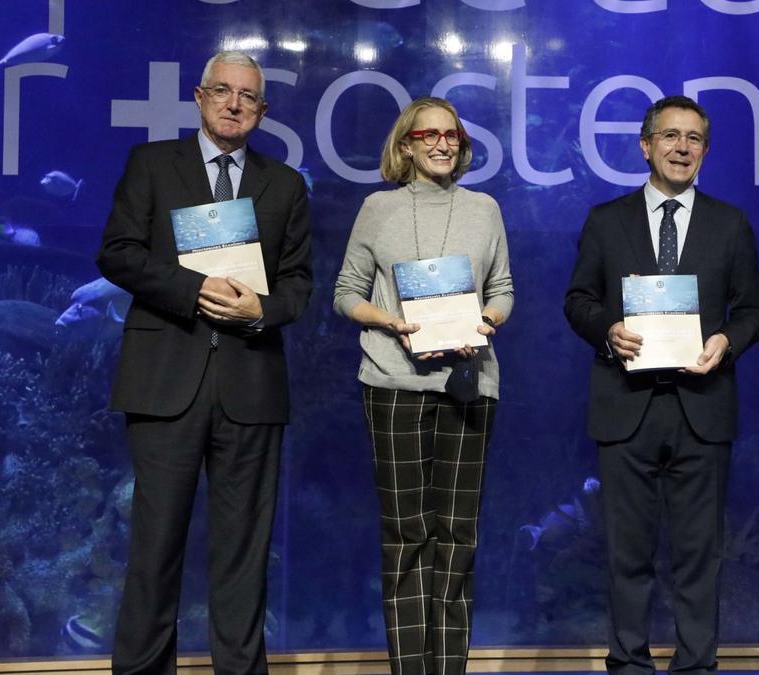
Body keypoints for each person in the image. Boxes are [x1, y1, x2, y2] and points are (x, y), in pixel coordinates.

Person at [96, 51, 312, 674]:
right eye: (223, 90)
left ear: (262, 110)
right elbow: (117, 252)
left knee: (245, 553)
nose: (234, 103)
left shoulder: (286, 185)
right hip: (164, 381)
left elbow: (298, 285)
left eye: (248, 95)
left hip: (251, 386)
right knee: (154, 548)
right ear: (199, 96)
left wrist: (258, 308)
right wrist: (193, 291)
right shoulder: (151, 165)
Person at [564, 95, 759, 675]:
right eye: (670, 136)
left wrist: (727, 341)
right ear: (645, 145)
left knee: (700, 554)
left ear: (705, 150)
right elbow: (578, 301)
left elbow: (751, 308)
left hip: (703, 405)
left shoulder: (731, 223)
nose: (682, 148)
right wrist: (608, 330)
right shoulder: (606, 220)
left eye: (694, 138)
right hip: (626, 405)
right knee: (628, 552)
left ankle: (697, 666)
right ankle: (628, 663)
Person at [333, 96, 513, 675]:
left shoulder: (485, 208)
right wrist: (393, 322)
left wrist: (487, 321)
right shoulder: (378, 208)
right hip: (392, 383)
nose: (442, 143)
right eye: (428, 134)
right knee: (406, 534)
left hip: (468, 382)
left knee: (458, 535)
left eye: (452, 135)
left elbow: (503, 288)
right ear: (405, 146)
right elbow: (346, 294)